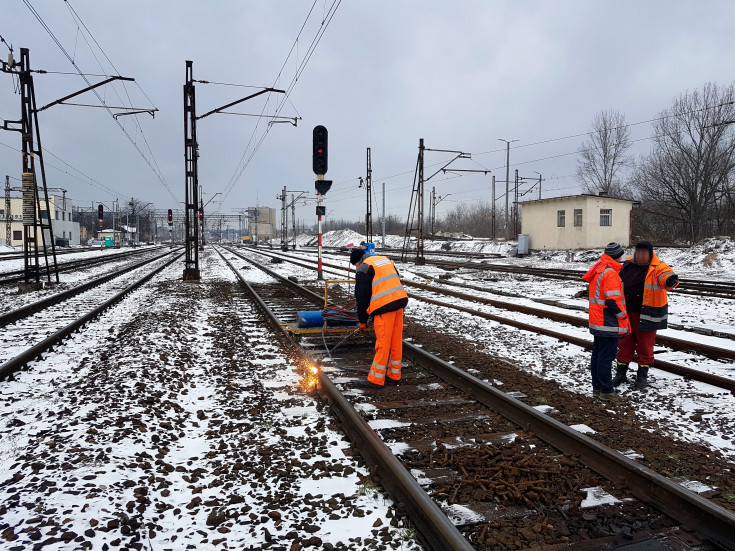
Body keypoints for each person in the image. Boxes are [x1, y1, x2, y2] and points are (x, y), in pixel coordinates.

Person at [612, 241, 679, 389]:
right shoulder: (627, 265)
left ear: (650, 254)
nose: (641, 256)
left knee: (645, 346)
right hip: (626, 313)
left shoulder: (657, 267)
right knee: (624, 344)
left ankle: (642, 377)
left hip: (646, 314)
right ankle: (620, 374)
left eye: (644, 253)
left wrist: (670, 281)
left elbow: (666, 276)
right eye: (639, 252)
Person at [351, 247, 409, 387]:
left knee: (383, 343)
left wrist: (362, 321)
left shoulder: (364, 268)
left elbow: (362, 297)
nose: (356, 268)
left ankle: (376, 380)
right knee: (395, 341)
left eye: (355, 265)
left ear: (358, 261)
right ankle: (394, 375)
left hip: (384, 307)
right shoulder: (384, 259)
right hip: (399, 302)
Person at [582, 242, 630, 401]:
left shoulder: (599, 268)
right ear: (618, 256)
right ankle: (607, 391)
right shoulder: (610, 273)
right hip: (608, 322)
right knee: (606, 358)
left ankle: (597, 388)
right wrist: (623, 316)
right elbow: (612, 301)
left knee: (597, 355)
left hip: (597, 320)